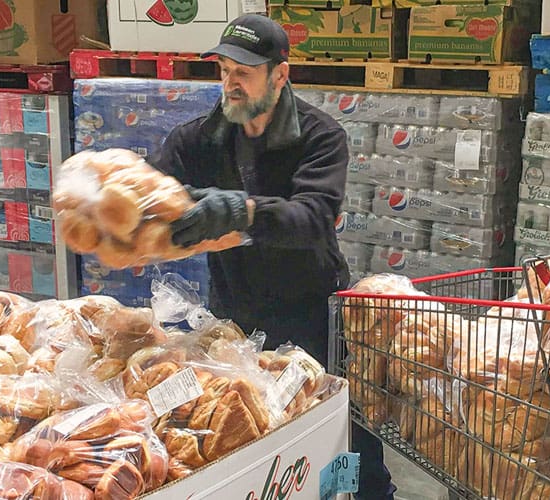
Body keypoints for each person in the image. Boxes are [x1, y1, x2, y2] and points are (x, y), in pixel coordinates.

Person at [150, 14, 396, 500]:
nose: (230, 83)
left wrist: (240, 211)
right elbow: (153, 193)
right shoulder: (196, 139)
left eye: (243, 71)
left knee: (342, 429)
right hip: (235, 316)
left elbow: (312, 218)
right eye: (223, 69)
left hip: (310, 312)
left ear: (280, 74)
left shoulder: (320, 136)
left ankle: (365, 495)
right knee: (251, 429)